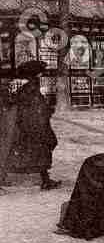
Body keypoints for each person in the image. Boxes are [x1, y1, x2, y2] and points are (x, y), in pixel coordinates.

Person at [0, 61, 61, 192]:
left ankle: (45, 179)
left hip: (29, 126)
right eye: (40, 73)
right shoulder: (32, 89)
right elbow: (35, 110)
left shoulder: (27, 88)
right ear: (36, 75)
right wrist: (46, 111)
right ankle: (45, 180)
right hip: (34, 127)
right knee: (41, 152)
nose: (41, 75)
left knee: (36, 153)